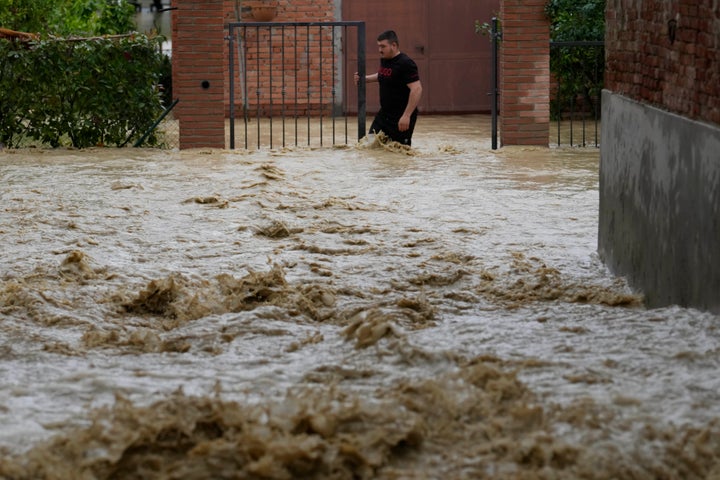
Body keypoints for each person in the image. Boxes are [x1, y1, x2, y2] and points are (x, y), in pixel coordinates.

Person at [355, 30, 423, 146]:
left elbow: (417, 89)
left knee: (399, 153)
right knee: (369, 145)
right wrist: (365, 79)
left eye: (383, 46)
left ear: (394, 45)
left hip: (400, 117)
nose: (380, 50)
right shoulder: (386, 60)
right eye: (379, 46)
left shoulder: (405, 63)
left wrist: (406, 116)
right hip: (384, 115)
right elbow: (384, 75)